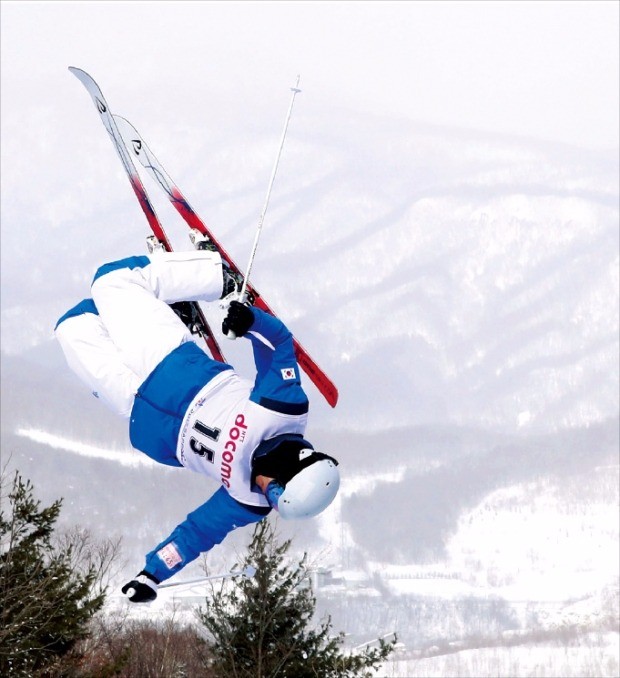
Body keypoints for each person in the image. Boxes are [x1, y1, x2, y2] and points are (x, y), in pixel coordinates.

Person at [55, 245, 340, 603]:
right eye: (273, 489)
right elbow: (279, 344)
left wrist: (152, 574)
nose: (263, 491)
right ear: (289, 465)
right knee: (111, 279)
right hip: (169, 361)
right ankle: (215, 276)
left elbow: (199, 532)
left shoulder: (247, 500)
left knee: (72, 325)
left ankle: (166, 310)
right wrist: (250, 322)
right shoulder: (284, 408)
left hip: (137, 410)